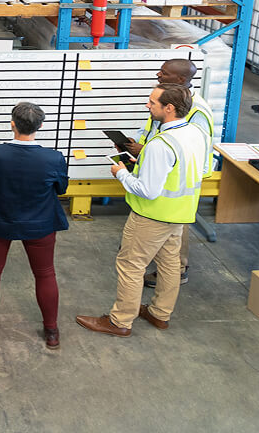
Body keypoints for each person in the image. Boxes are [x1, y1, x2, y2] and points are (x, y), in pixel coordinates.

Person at [76, 83, 209, 338]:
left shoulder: (162, 143)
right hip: (179, 213)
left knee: (130, 265)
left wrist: (122, 173)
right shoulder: (193, 133)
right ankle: (160, 314)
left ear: (168, 108)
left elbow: (148, 190)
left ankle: (120, 321)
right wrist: (141, 162)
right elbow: (174, 172)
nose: (147, 106)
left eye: (152, 103)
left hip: (152, 216)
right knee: (170, 265)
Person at [0, 101, 68, 348]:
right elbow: (61, 188)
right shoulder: (53, 158)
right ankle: (51, 331)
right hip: (40, 223)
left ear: (12, 124)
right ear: (41, 126)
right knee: (45, 273)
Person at [122, 58, 217, 288]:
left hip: (180, 176)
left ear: (181, 79)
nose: (158, 75)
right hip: (159, 163)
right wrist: (139, 147)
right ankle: (162, 306)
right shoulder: (169, 99)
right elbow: (158, 129)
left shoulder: (197, 110)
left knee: (176, 227)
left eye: (164, 73)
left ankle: (180, 269)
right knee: (168, 239)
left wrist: (145, 152)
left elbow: (189, 146)